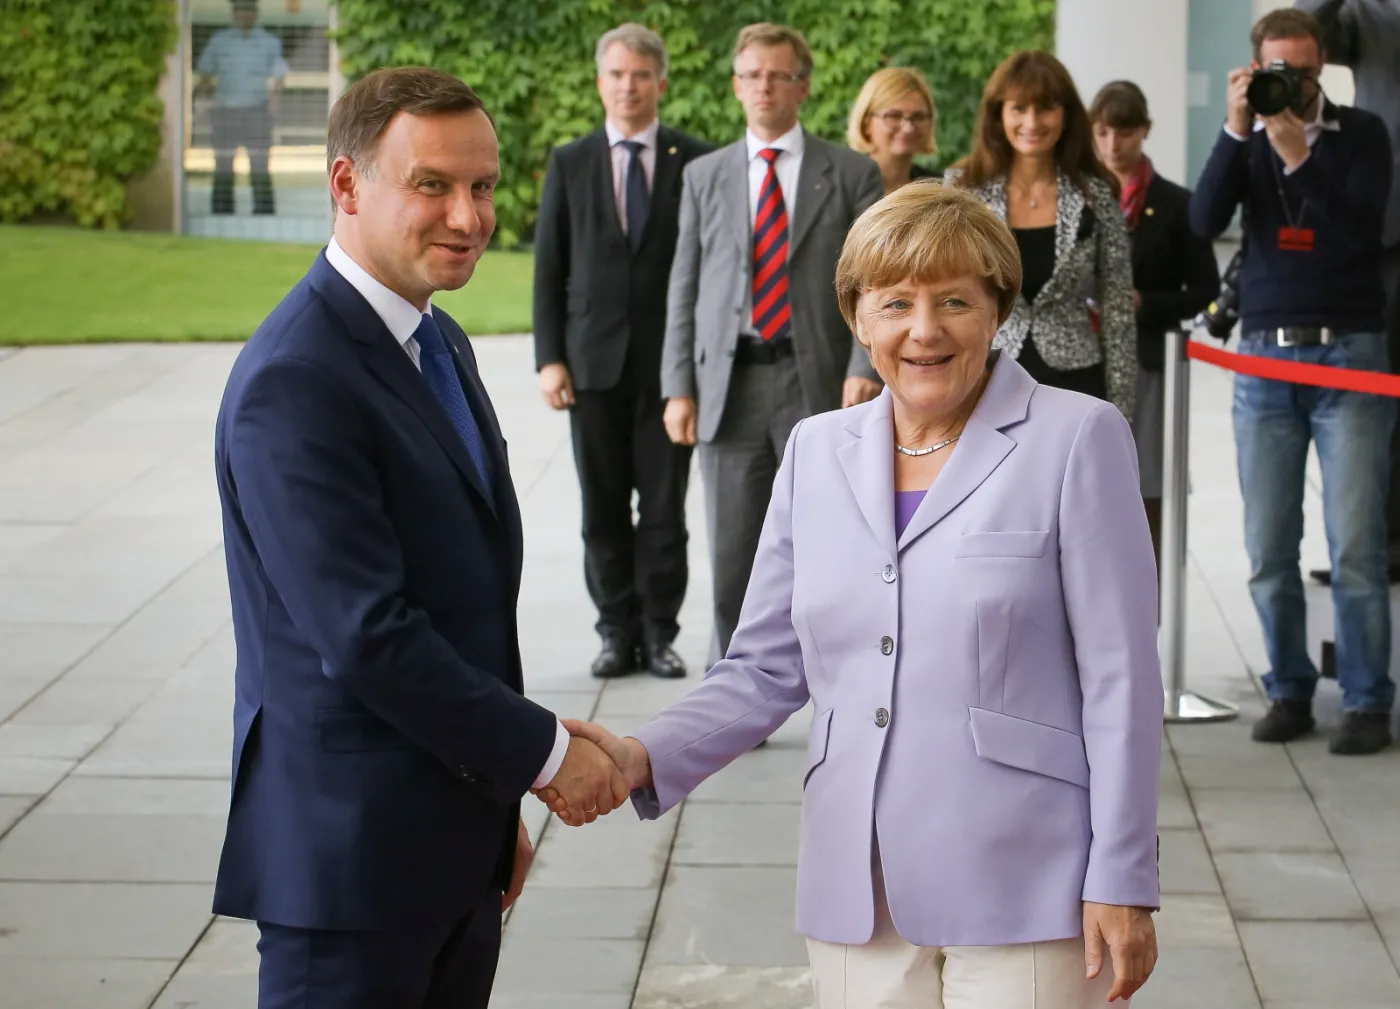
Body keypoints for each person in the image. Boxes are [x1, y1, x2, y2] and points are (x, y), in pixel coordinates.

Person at [545, 183, 1163, 1008]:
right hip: (856, 882)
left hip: (1029, 876)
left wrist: (1122, 871)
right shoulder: (814, 449)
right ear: (857, 317)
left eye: (955, 301)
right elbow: (763, 667)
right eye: (895, 302)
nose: (924, 328)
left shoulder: (1078, 438)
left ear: (998, 310)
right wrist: (639, 754)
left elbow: (1121, 677)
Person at [212, 68, 629, 1009]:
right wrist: (546, 758)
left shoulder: (436, 340)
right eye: (432, 185)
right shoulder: (298, 378)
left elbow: (460, 602)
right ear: (347, 186)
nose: (469, 217)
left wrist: (489, 806)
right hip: (350, 868)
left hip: (447, 843)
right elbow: (369, 634)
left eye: (482, 187)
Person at [1189, 9, 1395, 754]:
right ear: (1255, 67)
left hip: (1351, 354)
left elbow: (1360, 231)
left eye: (1304, 71)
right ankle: (1288, 688)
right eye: (1278, 69)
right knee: (1268, 544)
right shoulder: (1249, 138)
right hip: (1265, 362)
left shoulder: (1363, 133)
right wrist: (1236, 129)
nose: (1294, 84)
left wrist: (1301, 157)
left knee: (1357, 546)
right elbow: (1204, 219)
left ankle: (1369, 701)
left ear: (1323, 68)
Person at [660, 22, 884, 668]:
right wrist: (679, 385)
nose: (764, 85)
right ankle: (730, 682)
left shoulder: (850, 174)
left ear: (802, 86)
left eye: (778, 74)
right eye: (751, 74)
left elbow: (875, 278)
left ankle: (845, 677)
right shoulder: (704, 176)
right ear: (736, 86)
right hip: (728, 388)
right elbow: (685, 284)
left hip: (817, 381)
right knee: (732, 554)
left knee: (834, 545)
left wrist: (863, 361)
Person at [532, 25, 713, 681]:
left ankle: (660, 633)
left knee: (665, 513)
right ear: (599, 81)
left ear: (661, 83)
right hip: (592, 370)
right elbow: (549, 267)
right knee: (602, 509)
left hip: (671, 375)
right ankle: (615, 632)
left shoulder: (695, 160)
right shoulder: (570, 161)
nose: (628, 86)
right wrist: (550, 356)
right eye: (617, 74)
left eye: (641, 75)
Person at [947, 51, 1138, 418]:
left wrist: (1122, 411)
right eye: (1019, 108)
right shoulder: (963, 192)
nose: (1032, 122)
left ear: (1066, 115)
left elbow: (1117, 311)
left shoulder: (1096, 196)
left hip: (1076, 382)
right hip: (984, 378)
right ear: (998, 114)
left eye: (1045, 108)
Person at [1090, 81, 1220, 561]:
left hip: (1149, 362)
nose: (1112, 146)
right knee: (1083, 485)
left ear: (1144, 131)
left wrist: (1144, 301)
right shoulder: (1076, 198)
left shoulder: (1177, 204)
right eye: (1102, 133)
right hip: (1084, 355)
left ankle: (1147, 607)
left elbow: (1205, 291)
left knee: (1146, 485)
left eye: (1124, 132)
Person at [1294, 0, 1400, 585]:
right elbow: (1308, 25)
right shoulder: (1373, 15)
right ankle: (1378, 547)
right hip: (1387, 230)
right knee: (1380, 394)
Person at [196, 0, 287, 215]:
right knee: (223, 165)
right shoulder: (220, 42)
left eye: (249, 11)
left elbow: (279, 75)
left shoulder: (269, 42)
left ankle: (264, 214)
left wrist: (273, 103)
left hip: (257, 112)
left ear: (255, 14)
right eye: (240, 11)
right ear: (234, 14)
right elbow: (205, 72)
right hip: (225, 112)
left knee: (259, 165)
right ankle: (221, 213)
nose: (244, 15)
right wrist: (207, 102)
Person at [847, 67, 941, 193]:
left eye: (918, 117)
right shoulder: (840, 188)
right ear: (866, 122)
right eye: (894, 116)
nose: (908, 128)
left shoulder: (937, 189)